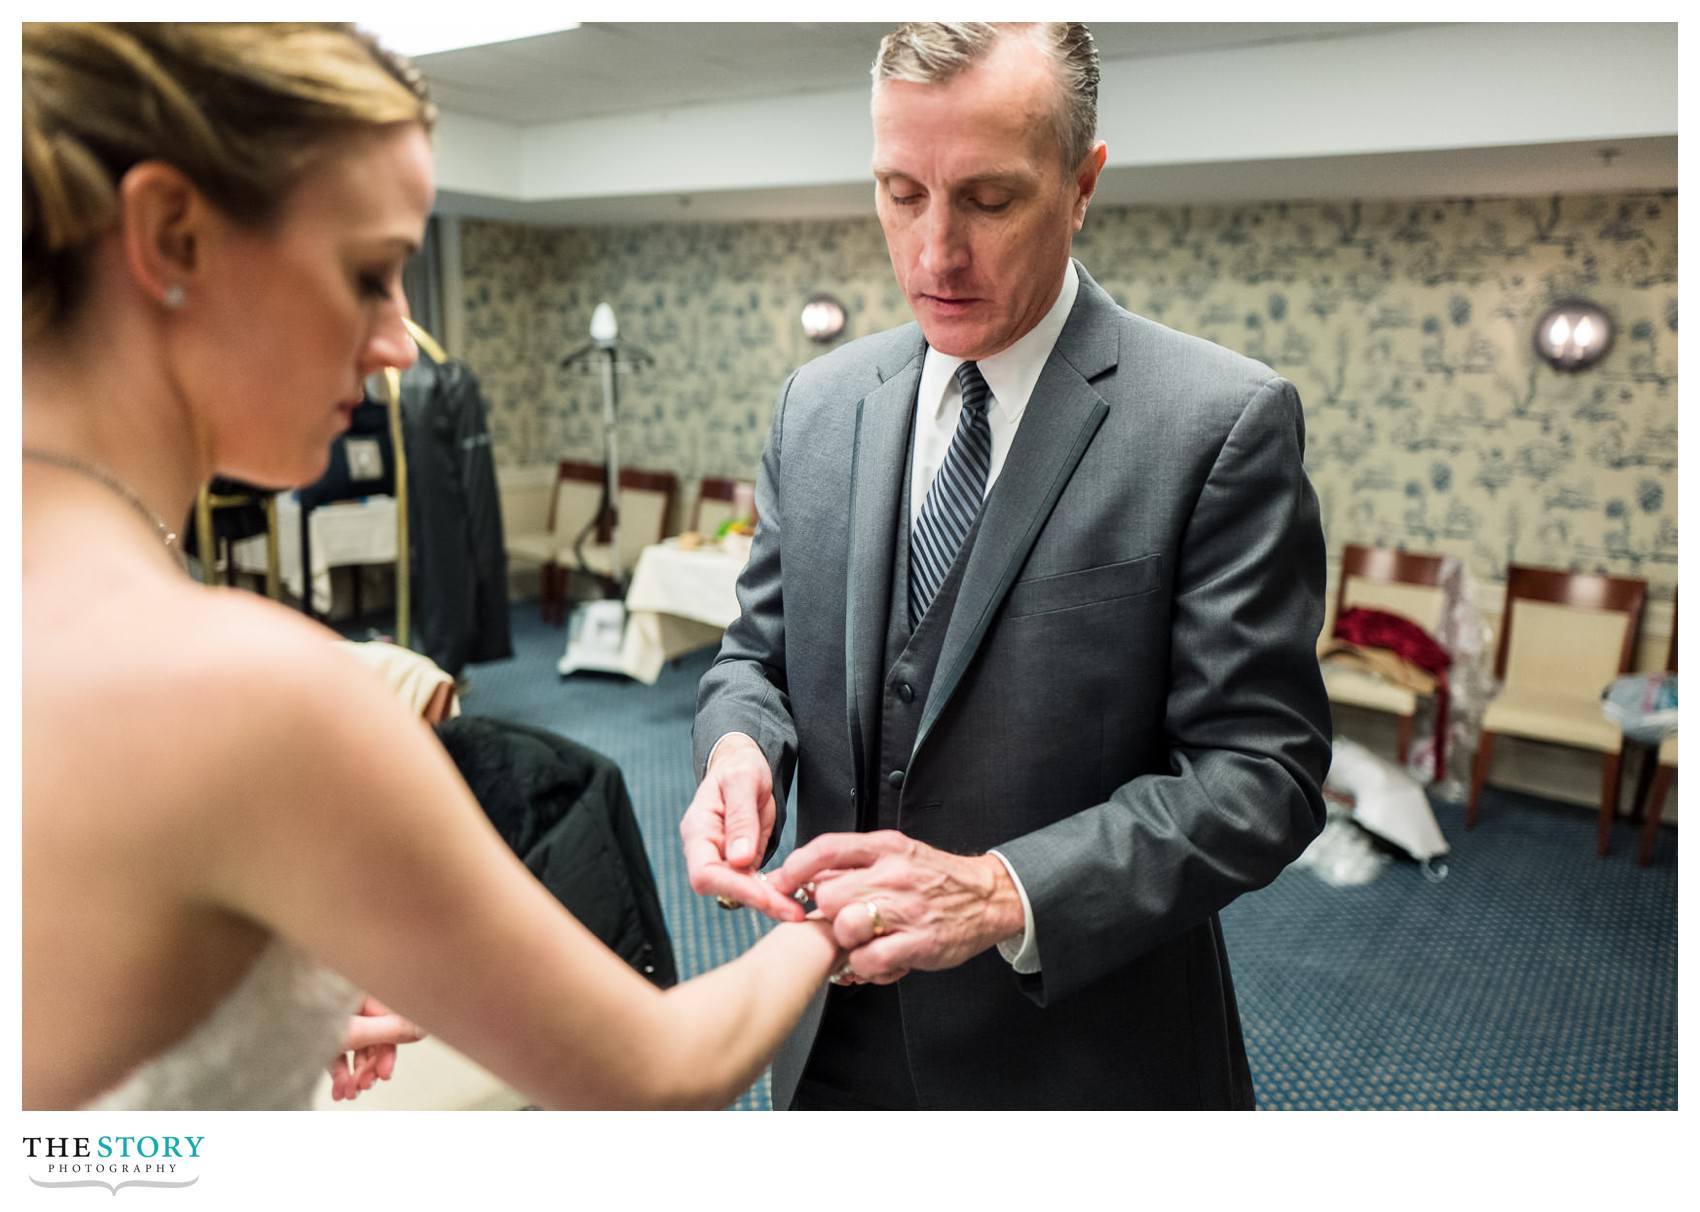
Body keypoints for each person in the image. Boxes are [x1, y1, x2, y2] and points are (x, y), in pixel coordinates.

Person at [21, 21, 841, 1111]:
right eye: (371, 274)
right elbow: (660, 1072)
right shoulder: (251, 690)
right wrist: (834, 919)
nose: (402, 343)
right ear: (172, 235)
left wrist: (251, 1014)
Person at [683, 21, 1332, 1110]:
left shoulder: (1217, 422)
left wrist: (998, 893)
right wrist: (740, 744)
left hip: (1074, 1053)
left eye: (987, 200)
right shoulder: (818, 404)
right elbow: (753, 653)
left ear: (1081, 186)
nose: (934, 254)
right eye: (900, 192)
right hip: (824, 1031)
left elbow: (1262, 774)